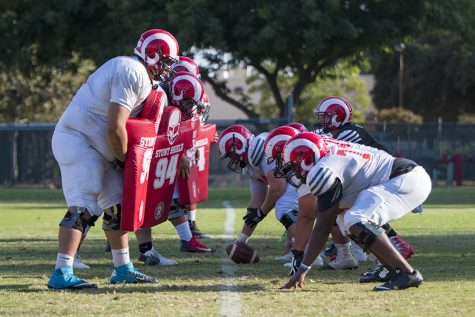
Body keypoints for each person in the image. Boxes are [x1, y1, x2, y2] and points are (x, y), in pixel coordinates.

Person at [47, 29, 179, 289]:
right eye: (165, 61)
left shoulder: (145, 79)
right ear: (151, 55)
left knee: (117, 204)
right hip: (79, 139)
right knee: (84, 207)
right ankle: (61, 272)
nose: (167, 69)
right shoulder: (132, 71)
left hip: (99, 146)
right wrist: (123, 159)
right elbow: (115, 127)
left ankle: (123, 268)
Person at [281, 133, 431, 291]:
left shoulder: (322, 170)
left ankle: (407, 273)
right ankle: (390, 269)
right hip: (401, 178)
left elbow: (322, 229)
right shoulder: (326, 157)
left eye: (293, 166)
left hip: (405, 179)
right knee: (344, 221)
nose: (294, 173)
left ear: (306, 159)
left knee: (356, 219)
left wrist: (303, 269)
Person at [313, 96, 416, 275]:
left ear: (338, 116)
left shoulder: (347, 133)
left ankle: (392, 246)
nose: (322, 121)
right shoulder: (344, 131)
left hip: (388, 177)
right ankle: (364, 252)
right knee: (345, 214)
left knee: (347, 214)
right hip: (381, 177)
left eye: (326, 117)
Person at [217, 125, 302, 260]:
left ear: (238, 147)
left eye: (231, 155)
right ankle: (296, 249)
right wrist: (241, 241)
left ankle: (308, 253)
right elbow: (257, 202)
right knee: (285, 205)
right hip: (297, 179)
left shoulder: (260, 150)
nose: (231, 160)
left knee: (284, 206)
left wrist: (261, 213)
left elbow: (277, 187)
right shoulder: (251, 165)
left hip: (304, 174)